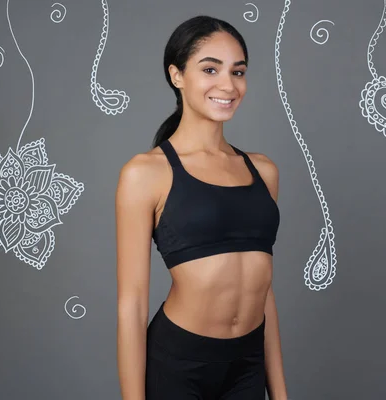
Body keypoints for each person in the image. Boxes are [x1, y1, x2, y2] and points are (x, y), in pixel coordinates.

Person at [115, 15, 287, 400]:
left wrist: (279, 392)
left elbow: (263, 290)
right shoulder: (145, 173)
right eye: (210, 69)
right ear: (176, 75)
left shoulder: (263, 171)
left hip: (247, 363)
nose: (228, 85)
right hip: (179, 364)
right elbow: (132, 301)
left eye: (238, 72)